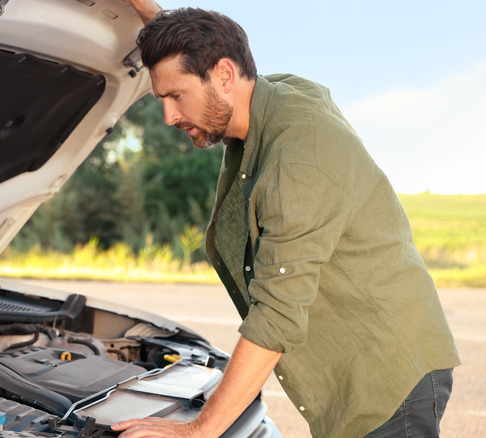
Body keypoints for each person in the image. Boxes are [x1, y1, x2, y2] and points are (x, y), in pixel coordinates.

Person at [112, 2, 461, 438]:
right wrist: (153, 15)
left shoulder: (301, 157)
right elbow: (197, 55)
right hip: (354, 362)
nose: (168, 117)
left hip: (386, 377)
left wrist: (199, 430)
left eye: (175, 97)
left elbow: (277, 313)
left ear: (223, 75)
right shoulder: (265, 95)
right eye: (162, 98)